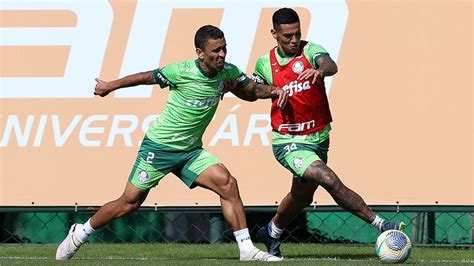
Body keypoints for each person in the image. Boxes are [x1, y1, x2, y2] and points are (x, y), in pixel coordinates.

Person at [55, 25, 287, 262]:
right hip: (159, 148)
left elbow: (252, 89)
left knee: (227, 184)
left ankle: (246, 250)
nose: (222, 54)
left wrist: (274, 91)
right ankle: (80, 233)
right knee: (129, 203)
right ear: (200, 52)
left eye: (224, 48)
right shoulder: (181, 71)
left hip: (190, 151)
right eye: (216, 50)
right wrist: (111, 86)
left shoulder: (228, 72)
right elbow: (146, 77)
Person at [247, 8, 405, 257]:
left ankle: (272, 231)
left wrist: (320, 70)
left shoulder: (310, 51)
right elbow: (254, 89)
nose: (294, 40)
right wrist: (272, 90)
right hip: (288, 141)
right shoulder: (265, 62)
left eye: (297, 34)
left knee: (301, 197)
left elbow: (330, 64)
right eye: (287, 35)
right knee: (328, 178)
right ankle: (380, 224)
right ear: (274, 34)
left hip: (318, 138)